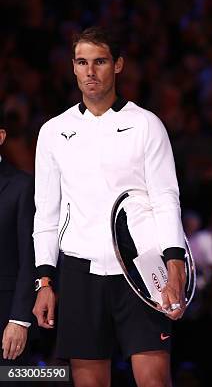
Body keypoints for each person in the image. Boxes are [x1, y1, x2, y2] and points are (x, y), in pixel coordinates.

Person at [32, 26, 186, 387]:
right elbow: (46, 211)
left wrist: (174, 260)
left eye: (99, 61)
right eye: (82, 62)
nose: (90, 71)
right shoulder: (53, 132)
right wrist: (44, 280)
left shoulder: (146, 124)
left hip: (142, 267)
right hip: (80, 271)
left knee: (154, 381)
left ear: (117, 65)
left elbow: (166, 196)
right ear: (72, 67)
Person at [0, 108, 36, 365]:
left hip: (5, 321)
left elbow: (30, 257)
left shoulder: (22, 186)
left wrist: (19, 319)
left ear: (1, 137)